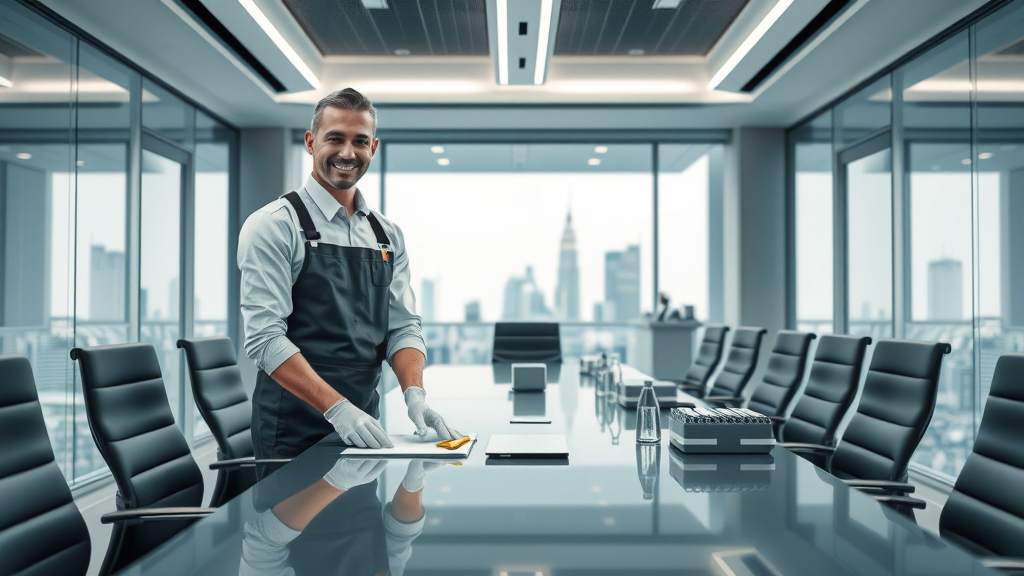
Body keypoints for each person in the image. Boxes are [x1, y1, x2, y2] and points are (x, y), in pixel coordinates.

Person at [238, 88, 460, 459]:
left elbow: (402, 326)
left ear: (373, 148)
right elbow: (264, 339)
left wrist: (414, 394)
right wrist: (337, 409)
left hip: (365, 428)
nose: (347, 153)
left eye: (359, 141)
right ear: (311, 142)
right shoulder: (275, 225)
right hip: (290, 431)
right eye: (335, 138)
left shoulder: (387, 235)